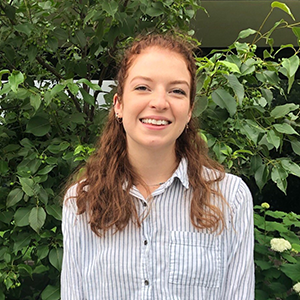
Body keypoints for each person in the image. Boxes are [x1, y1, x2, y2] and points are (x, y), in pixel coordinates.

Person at [61, 33, 254, 300]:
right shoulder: (81, 201)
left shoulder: (230, 198)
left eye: (177, 91)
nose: (160, 102)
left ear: (188, 111)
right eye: (142, 87)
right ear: (118, 105)